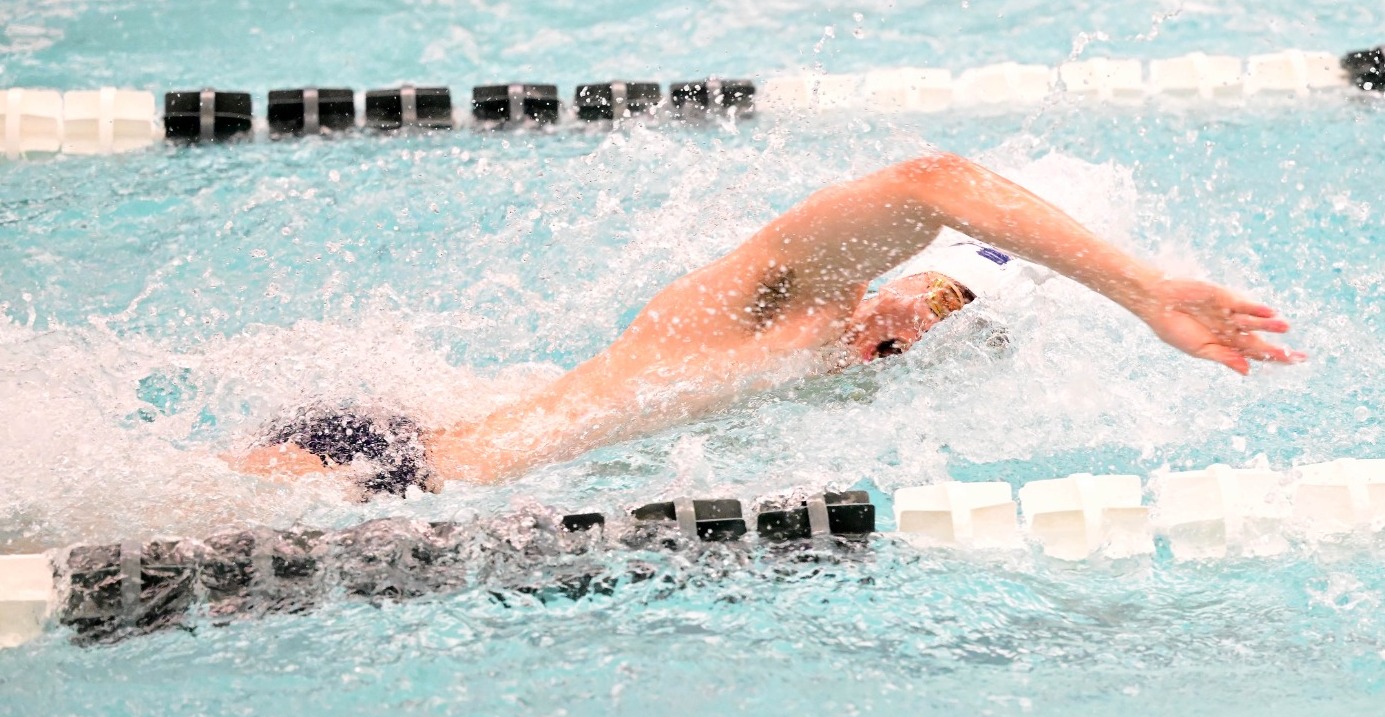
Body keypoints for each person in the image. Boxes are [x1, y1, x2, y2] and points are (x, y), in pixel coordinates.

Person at [232, 151, 1304, 498]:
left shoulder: (866, 349)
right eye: (925, 298)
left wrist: (944, 305)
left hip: (423, 454)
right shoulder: (771, 296)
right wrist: (1146, 290)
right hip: (388, 474)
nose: (916, 327)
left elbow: (979, 271)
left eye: (950, 311)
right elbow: (939, 182)